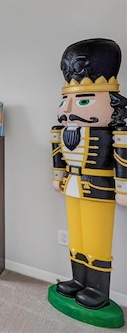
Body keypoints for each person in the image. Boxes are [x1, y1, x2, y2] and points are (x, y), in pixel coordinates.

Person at [51, 38, 127, 311]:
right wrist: (58, 175)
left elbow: (121, 159)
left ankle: (97, 288)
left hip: (99, 187)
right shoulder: (61, 131)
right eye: (66, 101)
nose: (67, 110)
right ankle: (78, 279)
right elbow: (58, 154)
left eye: (82, 101)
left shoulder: (115, 134)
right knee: (77, 236)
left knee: (97, 238)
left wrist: (123, 188)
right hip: (72, 184)